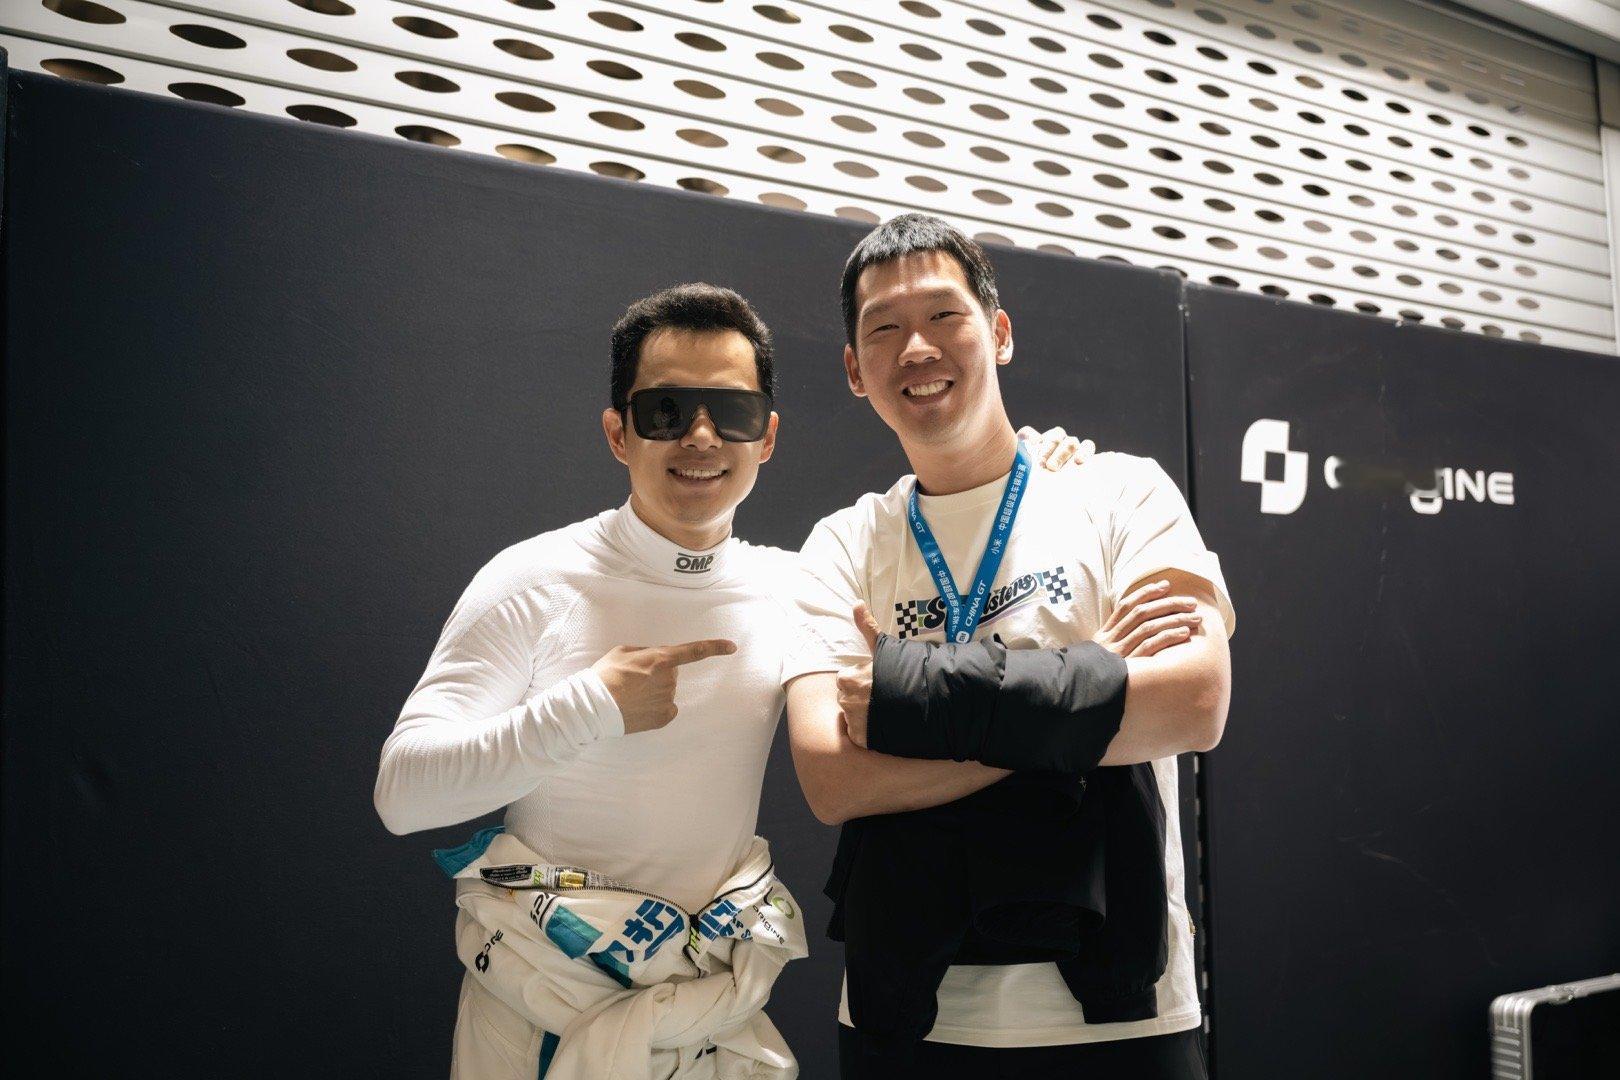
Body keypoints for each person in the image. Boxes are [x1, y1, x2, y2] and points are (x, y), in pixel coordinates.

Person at [372, 282, 1094, 1078]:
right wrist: (587, 708)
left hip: (712, 1014)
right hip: (538, 1017)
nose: (701, 436)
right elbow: (404, 795)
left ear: (768, 437)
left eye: (732, 412)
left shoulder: (795, 586)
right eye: (666, 411)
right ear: (617, 433)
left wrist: (1037, 464)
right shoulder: (535, 580)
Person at [781, 214, 1236, 1079]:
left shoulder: (1121, 492)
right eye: (884, 328)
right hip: (909, 1020)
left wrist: (915, 702)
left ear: (999, 332)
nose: (917, 347)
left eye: (943, 315)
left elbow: (1194, 702)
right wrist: (1085, 686)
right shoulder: (843, 544)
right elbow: (833, 779)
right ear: (854, 370)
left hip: (1116, 1020)